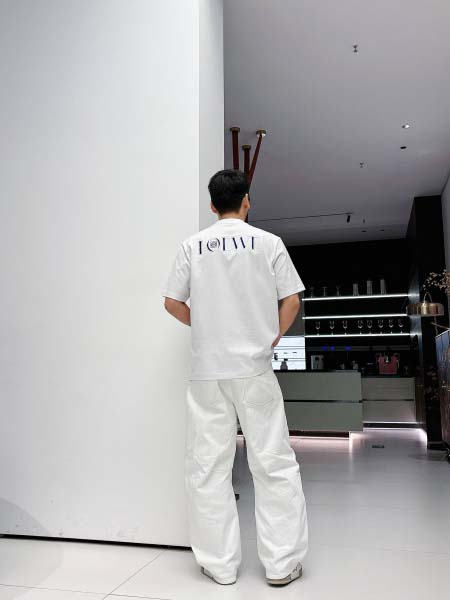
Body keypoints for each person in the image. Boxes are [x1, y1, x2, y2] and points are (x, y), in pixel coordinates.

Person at [162, 169, 308, 587]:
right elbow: (292, 300)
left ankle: (219, 565)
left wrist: (207, 328)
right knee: (273, 463)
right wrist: (272, 335)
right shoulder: (268, 243)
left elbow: (172, 302)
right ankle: (282, 564)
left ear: (212, 204)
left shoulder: (192, 245)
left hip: (208, 373)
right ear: (247, 200)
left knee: (208, 467)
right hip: (255, 368)